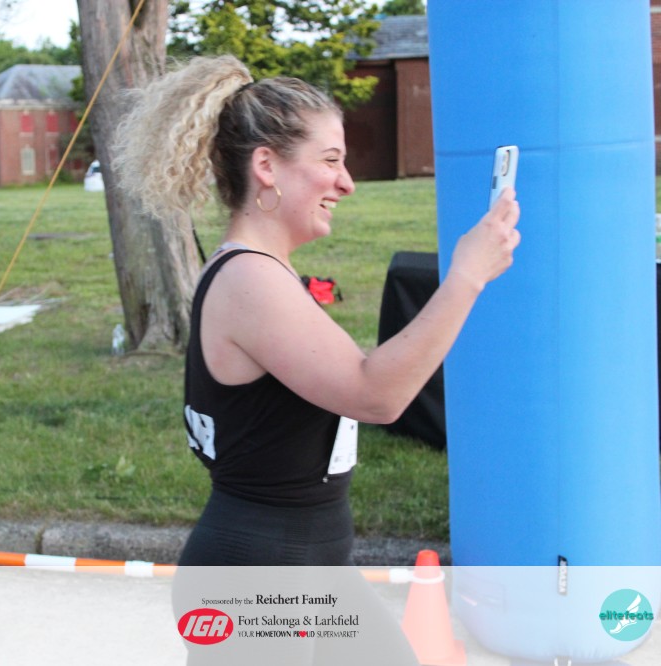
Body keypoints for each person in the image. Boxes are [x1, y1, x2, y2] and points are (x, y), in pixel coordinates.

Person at [114, 56, 519, 663]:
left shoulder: (258, 272)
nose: (346, 182)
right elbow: (375, 394)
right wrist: (465, 277)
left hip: (303, 568)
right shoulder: (249, 278)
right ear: (267, 167)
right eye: (330, 160)